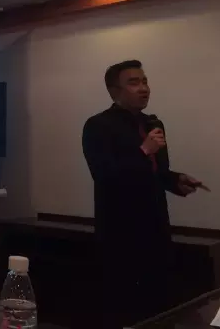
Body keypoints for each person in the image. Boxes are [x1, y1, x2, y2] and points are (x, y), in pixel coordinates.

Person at [82, 60, 203, 328]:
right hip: (120, 231)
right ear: (114, 90)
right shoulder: (98, 126)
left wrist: (176, 180)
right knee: (125, 307)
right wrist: (143, 150)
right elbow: (105, 176)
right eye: (134, 82)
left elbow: (156, 172)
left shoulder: (153, 123)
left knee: (159, 304)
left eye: (145, 81)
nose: (143, 88)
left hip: (156, 226)